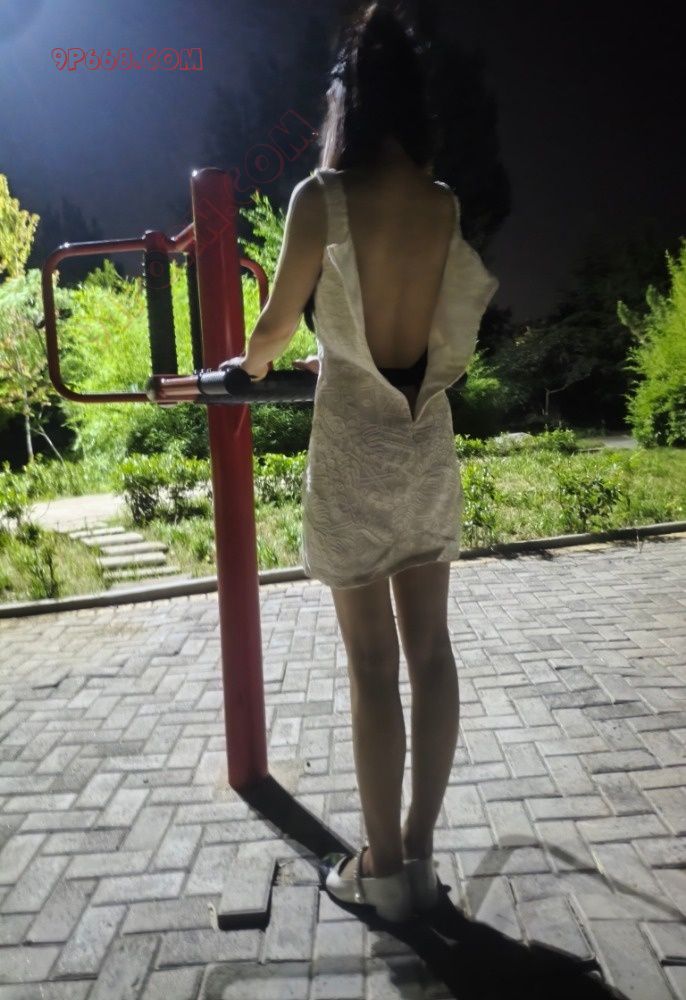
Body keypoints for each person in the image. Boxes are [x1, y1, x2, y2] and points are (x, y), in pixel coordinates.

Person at [228, 1, 499, 922]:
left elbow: (273, 327)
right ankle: (417, 854)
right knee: (432, 652)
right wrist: (337, 346)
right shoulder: (442, 203)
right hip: (424, 442)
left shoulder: (321, 198)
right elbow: (414, 331)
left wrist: (253, 366)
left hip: (352, 450)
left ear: (347, 98)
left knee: (372, 665)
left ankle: (378, 872)